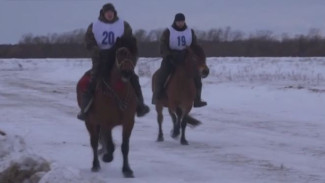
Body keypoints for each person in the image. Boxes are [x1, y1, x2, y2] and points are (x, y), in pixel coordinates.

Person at [77, 3, 149, 120]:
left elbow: (129, 39)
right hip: (101, 56)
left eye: (111, 12)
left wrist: (126, 50)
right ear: (103, 13)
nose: (109, 14)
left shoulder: (123, 25)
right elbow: (88, 41)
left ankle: (140, 105)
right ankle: (85, 109)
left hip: (118, 56)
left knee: (133, 77)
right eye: (107, 12)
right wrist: (95, 50)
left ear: (114, 13)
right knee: (94, 78)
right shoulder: (94, 26)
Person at [152, 13, 207, 107]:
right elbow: (163, 44)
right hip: (171, 57)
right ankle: (157, 96)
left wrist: (194, 54)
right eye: (178, 21)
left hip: (186, 57)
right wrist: (168, 55)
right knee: (162, 74)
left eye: (182, 21)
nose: (180, 23)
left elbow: (194, 45)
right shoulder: (168, 31)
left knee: (197, 76)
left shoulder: (190, 31)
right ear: (175, 21)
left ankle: (197, 99)